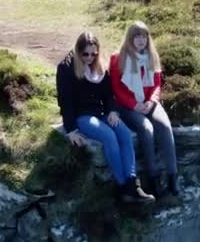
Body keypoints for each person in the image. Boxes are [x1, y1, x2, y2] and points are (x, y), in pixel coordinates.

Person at [56, 31, 155, 204]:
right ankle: (123, 188)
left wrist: (112, 111)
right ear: (78, 51)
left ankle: (133, 183)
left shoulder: (100, 67)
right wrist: (70, 130)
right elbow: (65, 101)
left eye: (94, 54)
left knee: (123, 132)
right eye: (85, 54)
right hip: (82, 116)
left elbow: (109, 95)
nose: (89, 58)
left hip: (101, 113)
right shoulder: (66, 67)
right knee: (109, 136)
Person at [109, 21, 179, 197]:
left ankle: (172, 177)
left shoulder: (152, 56)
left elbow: (156, 84)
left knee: (164, 126)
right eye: (137, 36)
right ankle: (154, 178)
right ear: (130, 38)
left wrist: (152, 101)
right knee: (146, 128)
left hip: (148, 102)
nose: (141, 40)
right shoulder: (118, 58)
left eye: (144, 36)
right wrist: (134, 104)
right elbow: (116, 88)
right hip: (127, 105)